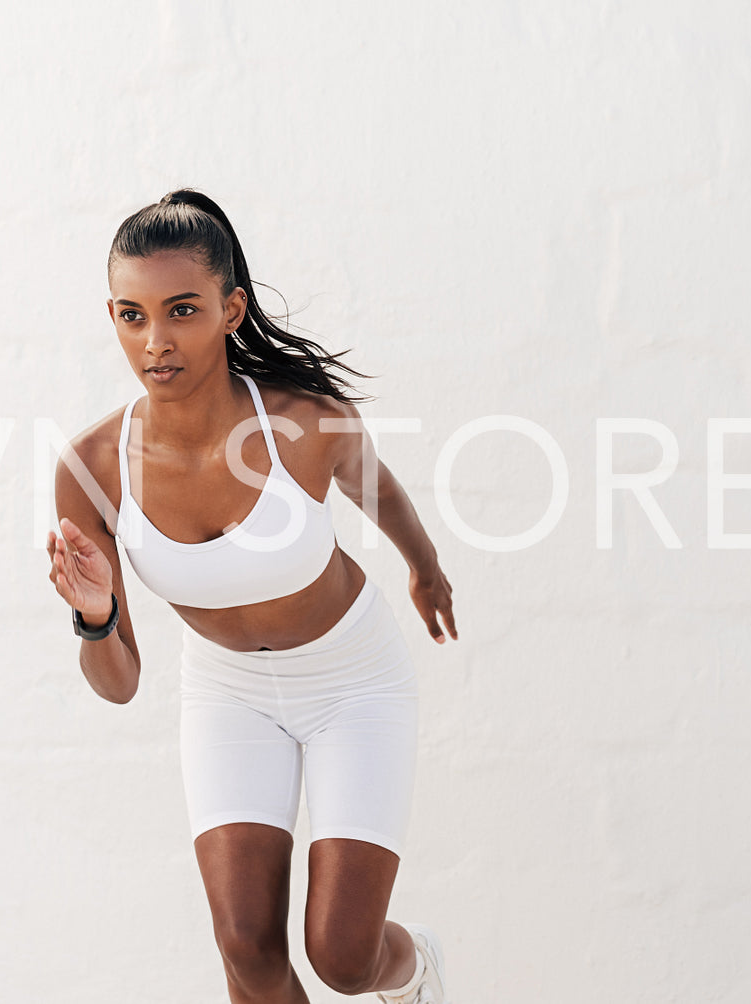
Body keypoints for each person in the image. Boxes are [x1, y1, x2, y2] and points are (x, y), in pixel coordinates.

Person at [46, 188, 458, 1003]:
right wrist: (95, 619)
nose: (154, 341)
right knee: (246, 949)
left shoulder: (305, 423)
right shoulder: (92, 465)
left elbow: (381, 496)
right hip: (229, 694)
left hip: (352, 684)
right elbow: (120, 684)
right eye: (131, 315)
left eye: (182, 310)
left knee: (342, 958)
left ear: (231, 309)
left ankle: (416, 972)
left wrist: (425, 566)